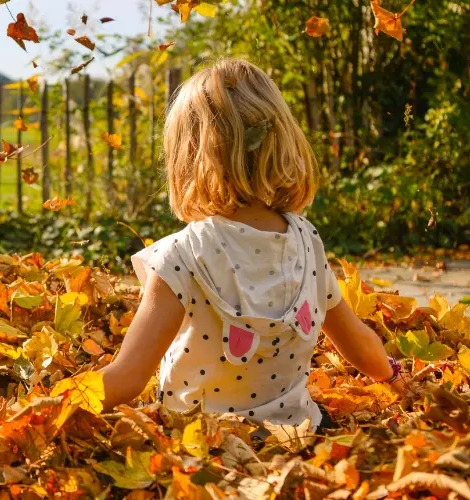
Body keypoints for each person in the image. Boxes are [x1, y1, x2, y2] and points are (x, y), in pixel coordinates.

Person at [99, 58, 406, 430]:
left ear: (189, 158)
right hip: (296, 433)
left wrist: (50, 405)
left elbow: (128, 378)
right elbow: (358, 343)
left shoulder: (180, 256)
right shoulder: (306, 240)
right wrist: (393, 377)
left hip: (201, 444)